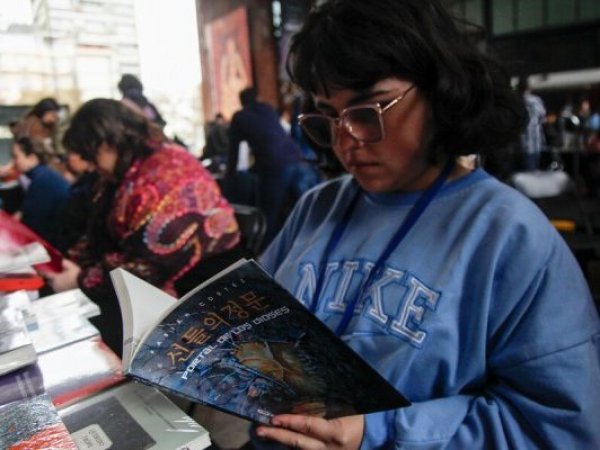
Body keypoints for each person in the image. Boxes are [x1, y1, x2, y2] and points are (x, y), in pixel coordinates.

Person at [252, 1, 600, 449]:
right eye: (328, 117)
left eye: (370, 110)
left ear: (441, 92)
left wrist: (378, 434)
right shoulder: (318, 208)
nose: (346, 141)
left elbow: (559, 426)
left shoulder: (507, 234)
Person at [46, 98, 240, 356]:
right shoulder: (128, 172)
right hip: (158, 287)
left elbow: (148, 266)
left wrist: (80, 279)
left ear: (108, 141)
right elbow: (100, 233)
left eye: (90, 155)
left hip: (206, 296)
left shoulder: (165, 173)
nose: (89, 165)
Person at [227, 87, 319, 246]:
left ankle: (267, 254)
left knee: (269, 216)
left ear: (241, 102)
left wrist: (229, 177)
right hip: (298, 159)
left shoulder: (239, 117)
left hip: (275, 166)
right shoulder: (268, 109)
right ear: (257, 98)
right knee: (306, 211)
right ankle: (314, 245)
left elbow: (233, 152)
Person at [10, 136, 69, 247]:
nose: (13, 162)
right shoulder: (44, 175)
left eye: (16, 157)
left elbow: (29, 223)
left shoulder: (42, 181)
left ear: (32, 158)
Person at [517, 77, 547, 171]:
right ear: (528, 87)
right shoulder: (537, 101)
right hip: (537, 144)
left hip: (521, 146)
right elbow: (543, 118)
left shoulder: (517, 101)